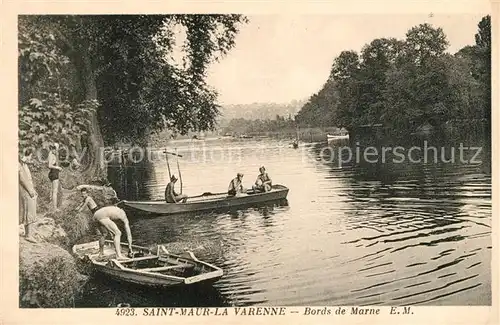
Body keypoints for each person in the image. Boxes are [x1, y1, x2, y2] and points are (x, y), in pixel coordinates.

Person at [76, 188, 132, 259]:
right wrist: (130, 248)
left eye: (84, 194)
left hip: (96, 215)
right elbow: (129, 234)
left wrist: (75, 210)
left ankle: (101, 253)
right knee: (118, 233)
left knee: (104, 234)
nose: (83, 195)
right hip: (102, 215)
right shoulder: (123, 216)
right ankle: (119, 255)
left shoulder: (115, 208)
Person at [19, 149, 38, 243]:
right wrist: (30, 191)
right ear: (28, 155)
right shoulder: (20, 164)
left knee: (31, 210)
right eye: (31, 156)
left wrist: (33, 189)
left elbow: (28, 179)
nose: (31, 158)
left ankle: (28, 233)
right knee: (29, 211)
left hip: (29, 189)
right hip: (25, 190)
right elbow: (23, 180)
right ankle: (28, 235)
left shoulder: (24, 164)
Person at [48, 143, 62, 211]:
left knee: (53, 191)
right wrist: (58, 167)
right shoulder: (51, 155)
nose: (56, 151)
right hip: (54, 173)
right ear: (53, 148)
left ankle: (52, 206)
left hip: (53, 173)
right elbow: (49, 165)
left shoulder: (52, 154)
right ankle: (55, 208)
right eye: (56, 149)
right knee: (55, 191)